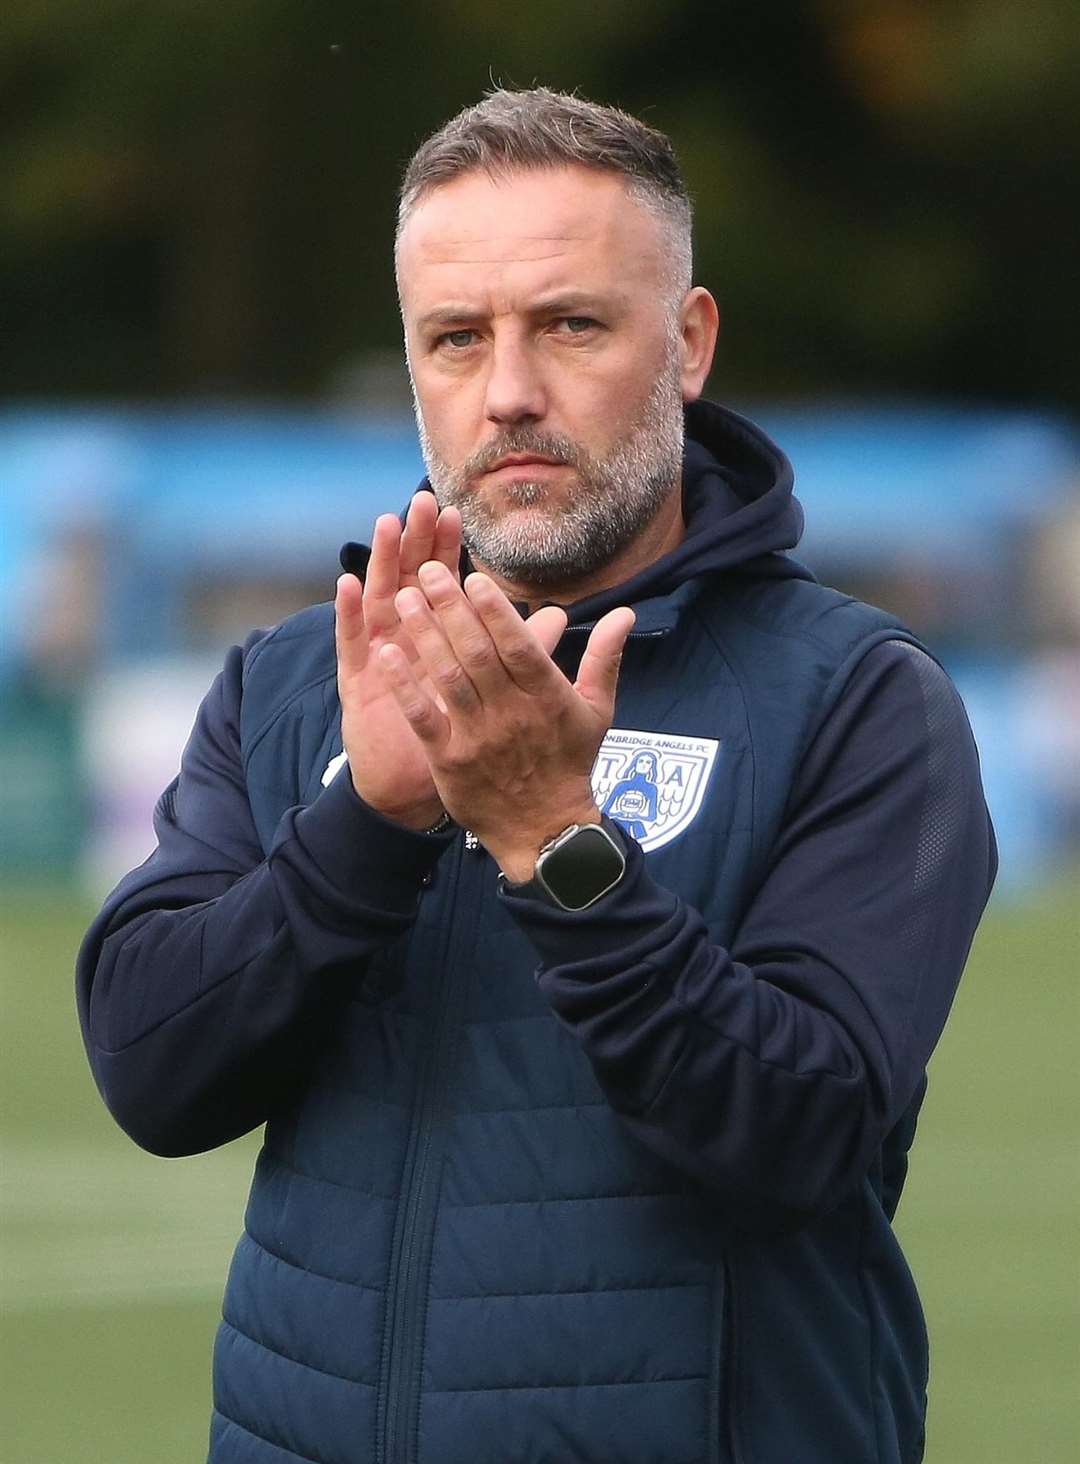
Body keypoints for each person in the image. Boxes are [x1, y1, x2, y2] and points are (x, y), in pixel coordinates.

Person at [77, 88, 996, 1464]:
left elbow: (797, 1140)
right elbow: (154, 1075)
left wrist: (558, 843)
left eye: (571, 323)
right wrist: (366, 826)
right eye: (457, 338)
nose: (508, 389)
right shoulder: (291, 681)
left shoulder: (856, 698)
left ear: (685, 344)